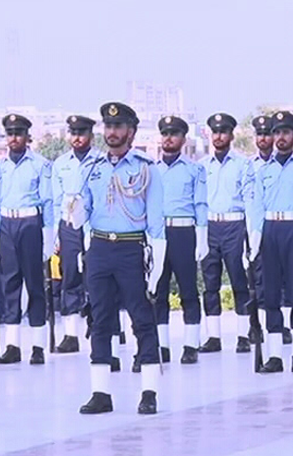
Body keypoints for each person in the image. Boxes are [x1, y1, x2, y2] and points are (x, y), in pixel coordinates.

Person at [73, 102, 166, 415]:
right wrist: (73, 211)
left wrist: (158, 262)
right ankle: (101, 392)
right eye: (108, 127)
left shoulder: (145, 168)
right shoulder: (92, 167)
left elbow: (155, 221)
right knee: (99, 319)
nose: (111, 132)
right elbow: (82, 211)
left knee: (142, 318)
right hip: (99, 247)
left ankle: (149, 391)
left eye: (118, 127)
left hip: (130, 248)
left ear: (131, 131)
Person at [249, 111, 293, 373]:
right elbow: (257, 205)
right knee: (270, 292)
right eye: (277, 132)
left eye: (285, 133)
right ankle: (275, 355)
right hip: (270, 229)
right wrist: (255, 236)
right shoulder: (263, 171)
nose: (280, 138)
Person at [0, 114, 54, 365]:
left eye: (18, 133)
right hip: (6, 223)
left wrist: (49, 234)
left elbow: (48, 202)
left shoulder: (40, 164)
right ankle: (12, 345)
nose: (13, 138)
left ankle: (38, 346)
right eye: (10, 133)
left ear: (27, 136)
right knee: (9, 284)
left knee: (34, 284)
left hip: (30, 224)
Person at [153, 116, 208, 365]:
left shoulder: (194, 169)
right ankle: (162, 345)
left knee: (188, 290)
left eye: (174, 133)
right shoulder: (152, 169)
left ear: (183, 139)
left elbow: (200, 204)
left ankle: (190, 344)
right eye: (165, 133)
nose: (168, 138)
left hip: (184, 232)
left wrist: (202, 236)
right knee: (158, 290)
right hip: (158, 234)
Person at [198, 113, 254, 353]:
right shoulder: (201, 166)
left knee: (239, 281)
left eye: (223, 131)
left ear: (231, 135)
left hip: (234, 225)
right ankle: (214, 337)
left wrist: (250, 235)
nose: (219, 136)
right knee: (210, 283)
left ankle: (243, 334)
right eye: (215, 131)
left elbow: (250, 201)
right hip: (210, 226)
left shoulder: (243, 164)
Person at [51, 115, 101, 354]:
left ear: (91, 135)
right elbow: (55, 201)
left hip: (95, 224)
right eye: (73, 132)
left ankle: (103, 327)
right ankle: (71, 334)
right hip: (69, 225)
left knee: (98, 277)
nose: (77, 138)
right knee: (69, 276)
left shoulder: (101, 161)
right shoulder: (60, 163)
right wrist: (54, 235)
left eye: (82, 132)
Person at [248, 115, 292, 345]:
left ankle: (279, 325)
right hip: (252, 229)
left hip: (277, 228)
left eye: (268, 134)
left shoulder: (281, 165)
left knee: (280, 281)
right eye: (261, 134)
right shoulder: (249, 166)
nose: (264, 138)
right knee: (257, 282)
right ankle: (257, 325)